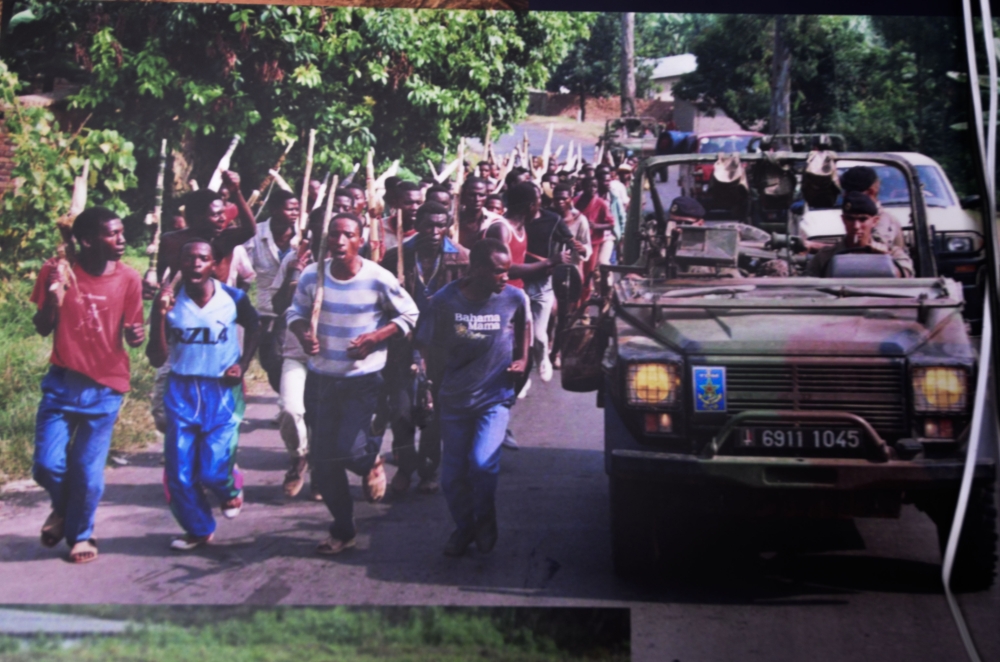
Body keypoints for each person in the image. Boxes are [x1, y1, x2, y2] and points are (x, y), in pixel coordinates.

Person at [287, 213, 420, 555]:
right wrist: (304, 333)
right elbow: (294, 313)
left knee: (352, 454)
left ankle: (371, 456)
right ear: (326, 239)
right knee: (324, 461)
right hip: (321, 380)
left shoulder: (378, 278)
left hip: (364, 381)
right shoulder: (312, 276)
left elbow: (409, 314)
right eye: (334, 235)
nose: (340, 241)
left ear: (360, 239)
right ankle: (343, 529)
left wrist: (376, 337)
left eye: (348, 235)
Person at [31, 207, 145, 564]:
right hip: (62, 382)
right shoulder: (58, 269)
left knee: (87, 473)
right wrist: (53, 298)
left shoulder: (129, 278)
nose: (122, 240)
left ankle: (82, 534)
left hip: (105, 388)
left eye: (121, 232)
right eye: (112, 234)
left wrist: (136, 334)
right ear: (85, 240)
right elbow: (42, 327)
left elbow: (135, 335)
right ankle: (65, 509)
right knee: (45, 465)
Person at [415, 238, 530, 556]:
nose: (505, 277)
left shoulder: (514, 298)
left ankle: (485, 520)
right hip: (453, 400)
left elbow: (525, 325)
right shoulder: (444, 301)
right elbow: (424, 341)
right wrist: (428, 380)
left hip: (494, 399)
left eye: (507, 271)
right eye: (498, 271)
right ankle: (464, 528)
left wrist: (522, 358)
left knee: (482, 463)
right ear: (476, 269)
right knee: (452, 478)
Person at [146, 240, 261, 551]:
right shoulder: (170, 304)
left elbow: (255, 325)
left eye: (203, 258)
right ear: (181, 265)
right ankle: (198, 529)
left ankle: (229, 486)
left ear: (214, 264)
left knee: (212, 471)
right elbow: (156, 358)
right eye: (189, 258)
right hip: (182, 391)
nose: (196, 264)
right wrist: (158, 316)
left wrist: (243, 362)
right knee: (179, 473)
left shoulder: (232, 297)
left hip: (222, 392)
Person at [147, 175, 257, 433]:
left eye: (223, 214)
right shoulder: (172, 240)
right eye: (214, 215)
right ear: (195, 218)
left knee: (217, 396)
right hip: (178, 319)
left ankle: (217, 450)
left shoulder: (224, 240)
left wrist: (237, 191)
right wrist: (152, 284)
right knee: (164, 406)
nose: (222, 219)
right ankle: (181, 440)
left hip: (214, 322)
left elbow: (250, 229)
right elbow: (160, 276)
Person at [380, 202, 470, 496]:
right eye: (427, 225)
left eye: (439, 225)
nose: (433, 231)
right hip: (402, 347)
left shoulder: (461, 259)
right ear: (415, 223)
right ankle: (405, 467)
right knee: (402, 411)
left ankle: (429, 470)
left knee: (434, 413)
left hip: (443, 349)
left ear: (447, 226)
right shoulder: (396, 257)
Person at [269, 208, 325, 498]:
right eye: (321, 228)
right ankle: (298, 456)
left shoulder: (354, 263)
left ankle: (320, 472)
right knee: (290, 409)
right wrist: (294, 272)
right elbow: (278, 305)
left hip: (333, 355)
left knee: (322, 417)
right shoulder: (294, 260)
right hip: (295, 349)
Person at [243, 189, 300, 393]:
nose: (295, 213)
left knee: (285, 357)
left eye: (297, 209)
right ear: (274, 210)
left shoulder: (303, 237)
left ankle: (291, 401)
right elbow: (245, 273)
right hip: (266, 308)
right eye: (289, 209)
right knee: (269, 360)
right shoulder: (256, 235)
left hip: (295, 307)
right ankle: (285, 396)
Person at [807, 191, 914, 278]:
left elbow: (906, 277)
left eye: (863, 219)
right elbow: (808, 288)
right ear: (843, 220)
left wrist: (884, 261)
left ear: (875, 221)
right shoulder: (825, 256)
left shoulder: (893, 254)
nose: (856, 226)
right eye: (850, 219)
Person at [839, 165, 906, 251]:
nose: (845, 195)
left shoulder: (884, 220)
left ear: (871, 192)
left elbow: (866, 249)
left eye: (851, 192)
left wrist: (821, 248)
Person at [574, 175, 615, 305]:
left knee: (587, 276)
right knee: (575, 275)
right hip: (576, 244)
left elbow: (611, 224)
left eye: (595, 186)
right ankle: (574, 304)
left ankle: (584, 307)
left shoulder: (601, 204)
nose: (592, 189)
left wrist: (596, 226)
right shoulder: (576, 201)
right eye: (589, 186)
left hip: (593, 244)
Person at [457, 177, 502, 250]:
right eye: (472, 195)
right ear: (464, 195)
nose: (477, 199)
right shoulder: (454, 220)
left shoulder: (494, 221)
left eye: (481, 195)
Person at [380, 181, 421, 252]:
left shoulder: (424, 232)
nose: (415, 208)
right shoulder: (379, 227)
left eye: (418, 203)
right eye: (408, 203)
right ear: (395, 204)